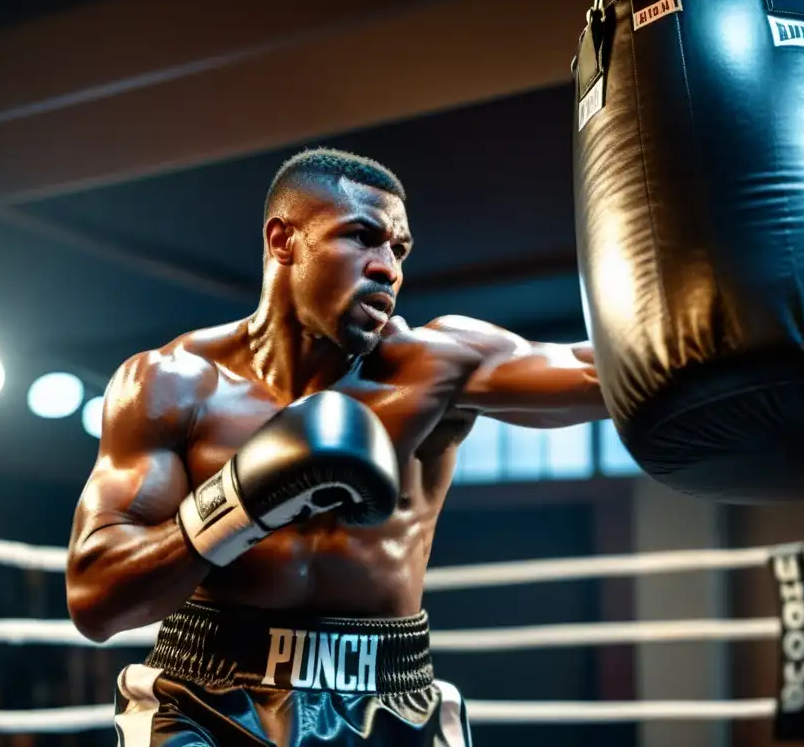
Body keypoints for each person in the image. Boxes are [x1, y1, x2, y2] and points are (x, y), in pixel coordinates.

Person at [65, 148, 609, 746]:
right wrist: (238, 504)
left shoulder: (438, 366)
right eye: (363, 237)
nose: (388, 269)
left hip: (389, 701)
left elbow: (613, 373)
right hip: (207, 696)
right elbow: (95, 598)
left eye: (399, 249)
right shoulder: (170, 383)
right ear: (283, 240)